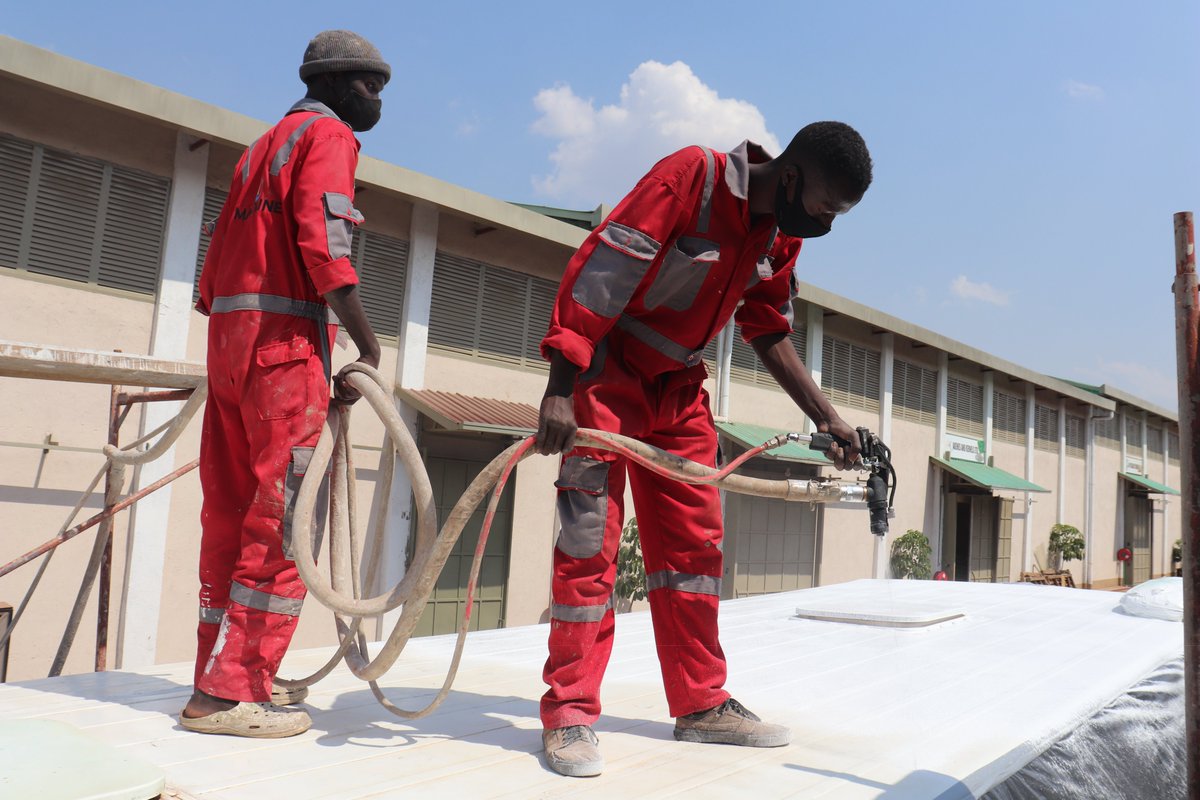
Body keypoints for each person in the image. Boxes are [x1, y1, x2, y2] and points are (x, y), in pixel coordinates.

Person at [534, 123, 873, 776]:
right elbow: (600, 273)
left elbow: (766, 325)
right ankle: (569, 711)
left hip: (680, 387)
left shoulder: (782, 236)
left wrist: (827, 417)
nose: (824, 225)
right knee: (588, 545)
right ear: (793, 177)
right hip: (609, 372)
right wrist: (560, 386)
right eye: (825, 208)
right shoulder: (695, 178)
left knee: (694, 547)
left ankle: (700, 705)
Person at [180, 30, 390, 738]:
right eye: (369, 86)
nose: (378, 100)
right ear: (332, 85)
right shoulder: (327, 139)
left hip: (230, 344)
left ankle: (217, 673)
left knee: (233, 513)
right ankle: (236, 690)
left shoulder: (261, 144)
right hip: (284, 347)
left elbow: (213, 272)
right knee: (285, 519)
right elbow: (324, 242)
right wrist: (365, 342)